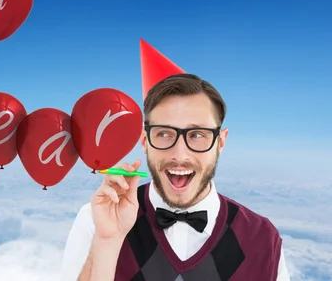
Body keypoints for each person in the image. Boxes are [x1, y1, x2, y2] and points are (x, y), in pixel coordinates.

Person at [60, 73, 290, 281]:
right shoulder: (97, 218)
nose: (180, 155)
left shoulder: (263, 238)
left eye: (198, 135)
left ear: (220, 142)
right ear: (144, 140)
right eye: (164, 134)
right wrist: (107, 242)